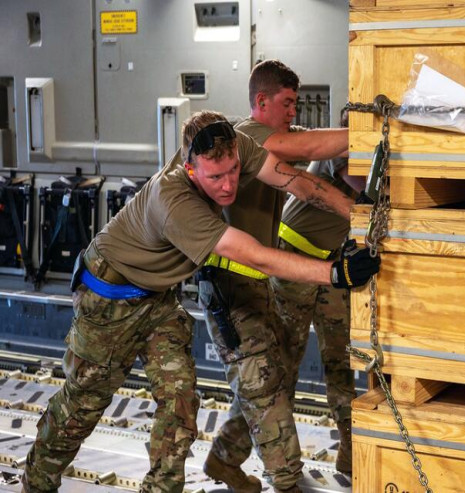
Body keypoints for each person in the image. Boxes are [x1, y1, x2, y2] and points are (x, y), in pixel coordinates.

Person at [20, 110, 379, 493]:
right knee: (82, 407)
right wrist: (336, 273)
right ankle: (36, 484)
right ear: (191, 169)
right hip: (108, 298)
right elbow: (255, 255)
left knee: (180, 403)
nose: (229, 186)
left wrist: (361, 214)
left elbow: (298, 182)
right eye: (216, 177)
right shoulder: (174, 201)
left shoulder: (233, 147)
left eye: (233, 172)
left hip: (158, 298)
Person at [199, 60, 351, 493]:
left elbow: (307, 170)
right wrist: (372, 133)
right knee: (270, 382)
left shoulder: (274, 144)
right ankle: (269, 474)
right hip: (243, 282)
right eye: (287, 103)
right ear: (261, 101)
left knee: (280, 376)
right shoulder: (248, 135)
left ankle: (229, 459)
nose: (292, 112)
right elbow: (310, 148)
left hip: (272, 278)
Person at [271, 107, 363, 476]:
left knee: (340, 356)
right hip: (293, 258)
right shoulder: (336, 153)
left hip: (330, 262)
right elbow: (364, 188)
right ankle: (272, 459)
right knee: (285, 360)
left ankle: (351, 452)